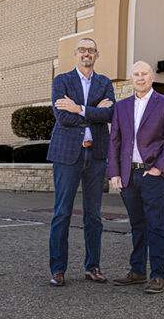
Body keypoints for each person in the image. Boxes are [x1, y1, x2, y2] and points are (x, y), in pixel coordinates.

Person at [47, 38, 115, 286]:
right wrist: (92, 111)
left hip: (96, 155)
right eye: (83, 50)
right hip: (67, 155)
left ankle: (93, 267)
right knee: (62, 213)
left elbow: (110, 113)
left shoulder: (104, 82)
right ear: (76, 53)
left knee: (93, 215)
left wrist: (80, 109)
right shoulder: (62, 81)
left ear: (97, 55)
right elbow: (63, 117)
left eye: (91, 51)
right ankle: (58, 269)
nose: (87, 54)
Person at [108, 61, 164, 294]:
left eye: (144, 74)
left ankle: (158, 275)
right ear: (131, 77)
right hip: (129, 176)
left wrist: (159, 168)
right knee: (137, 225)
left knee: (156, 225)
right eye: (136, 74)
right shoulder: (122, 106)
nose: (140, 77)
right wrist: (115, 172)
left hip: (152, 175)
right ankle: (138, 270)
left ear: (152, 77)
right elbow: (115, 141)